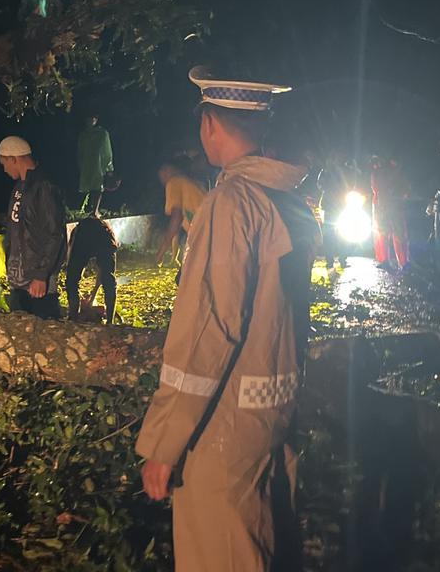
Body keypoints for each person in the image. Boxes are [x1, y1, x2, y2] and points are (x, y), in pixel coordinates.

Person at [137, 66, 315, 571]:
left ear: (209, 125)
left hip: (225, 426)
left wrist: (166, 442)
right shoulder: (287, 199)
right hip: (273, 409)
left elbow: (210, 330)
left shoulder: (231, 204)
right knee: (269, 540)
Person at [0, 135, 66, 318]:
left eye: (4, 164)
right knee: (19, 332)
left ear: (14, 159)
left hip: (36, 279)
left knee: (44, 330)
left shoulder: (43, 186)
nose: (4, 170)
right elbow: (22, 222)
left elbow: (54, 233)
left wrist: (41, 275)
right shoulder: (21, 186)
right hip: (19, 278)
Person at [65, 214, 118, 323]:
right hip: (85, 238)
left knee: (108, 280)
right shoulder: (79, 235)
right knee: (72, 279)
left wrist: (93, 295)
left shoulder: (105, 233)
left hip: (102, 239)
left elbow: (103, 273)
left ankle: (109, 321)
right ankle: (73, 317)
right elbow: (73, 273)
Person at [155, 161, 207, 268]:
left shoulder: (174, 182)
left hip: (204, 238)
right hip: (213, 235)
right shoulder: (191, 183)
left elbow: (176, 218)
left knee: (186, 279)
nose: (161, 181)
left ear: (166, 171)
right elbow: (178, 226)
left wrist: (161, 251)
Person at [370, 156, 410, 271]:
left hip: (392, 205)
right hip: (382, 205)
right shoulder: (378, 172)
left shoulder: (393, 171)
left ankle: (402, 261)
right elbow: (376, 187)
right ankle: (387, 260)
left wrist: (402, 195)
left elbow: (405, 187)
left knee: (397, 233)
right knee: (383, 233)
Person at [76, 113, 114, 214]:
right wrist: (81, 164)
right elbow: (80, 151)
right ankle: (88, 208)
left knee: (98, 187)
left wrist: (109, 168)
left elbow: (107, 151)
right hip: (87, 165)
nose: (91, 120)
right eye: (89, 117)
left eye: (94, 117)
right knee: (89, 186)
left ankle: (95, 210)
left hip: (99, 165)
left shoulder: (102, 133)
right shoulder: (83, 135)